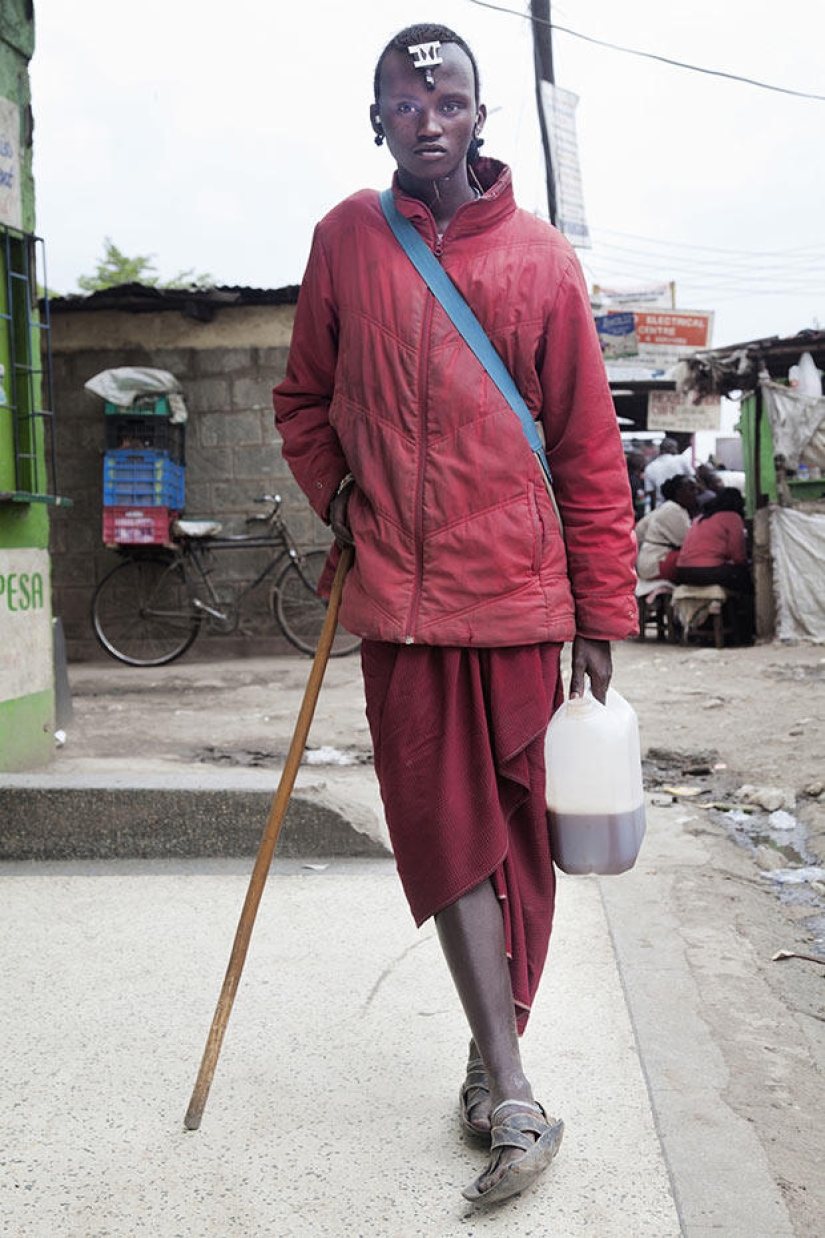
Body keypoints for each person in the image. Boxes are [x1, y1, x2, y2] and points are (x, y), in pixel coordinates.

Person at [273, 23, 637, 1207]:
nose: (427, 118)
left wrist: (602, 605)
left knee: (522, 843)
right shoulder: (346, 241)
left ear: (479, 117)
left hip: (527, 600)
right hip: (402, 606)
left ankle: (494, 1062)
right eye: (403, 100)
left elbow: (587, 446)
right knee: (444, 839)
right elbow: (303, 399)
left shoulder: (539, 260)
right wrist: (344, 498)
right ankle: (517, 1085)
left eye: (448, 99)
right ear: (375, 119)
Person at [635, 474, 699, 582]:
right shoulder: (672, 510)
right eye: (692, 489)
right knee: (698, 559)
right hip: (655, 562)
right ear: (679, 492)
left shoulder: (672, 507)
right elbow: (688, 542)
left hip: (649, 559)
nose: (696, 493)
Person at [643, 437, 693, 507]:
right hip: (682, 505)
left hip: (661, 507)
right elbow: (692, 479)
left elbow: (652, 493)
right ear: (671, 448)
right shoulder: (681, 459)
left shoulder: (649, 467)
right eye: (676, 448)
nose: (677, 451)